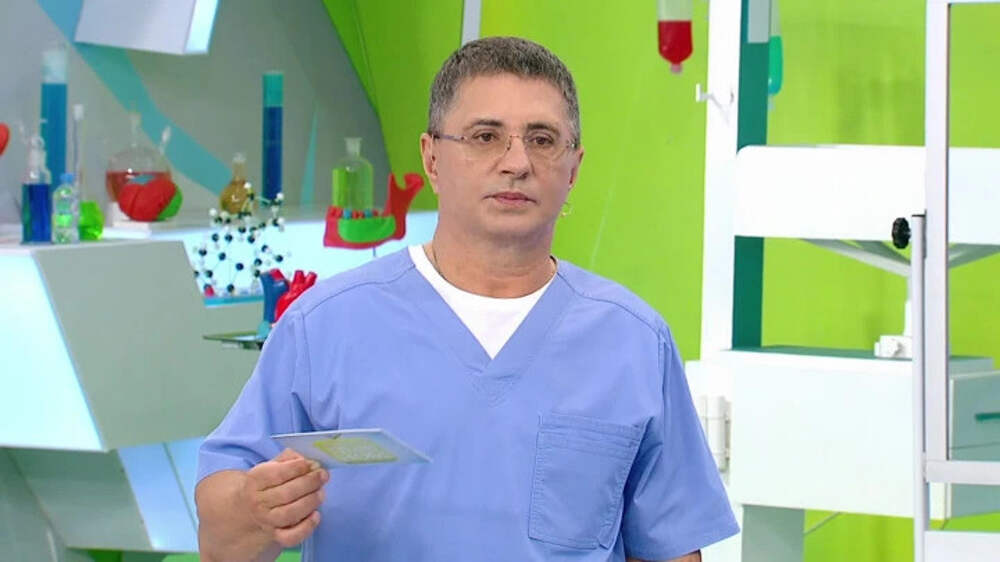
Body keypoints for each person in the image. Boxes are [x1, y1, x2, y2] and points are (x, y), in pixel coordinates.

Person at [195, 36, 738, 562]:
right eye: (485, 136)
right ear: (432, 159)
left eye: (542, 139)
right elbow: (221, 540)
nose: (517, 162)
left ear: (573, 169)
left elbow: (668, 548)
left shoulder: (632, 342)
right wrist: (254, 509)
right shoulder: (325, 326)